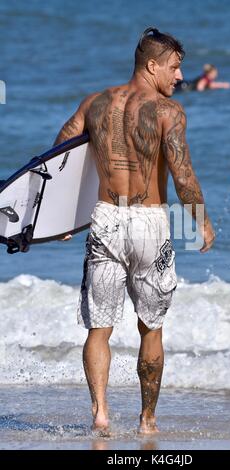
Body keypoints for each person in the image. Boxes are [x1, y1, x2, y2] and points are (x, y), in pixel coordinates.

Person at [53, 27, 215, 435]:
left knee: (99, 327)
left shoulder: (94, 103)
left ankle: (101, 414)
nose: (180, 77)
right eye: (176, 68)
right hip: (149, 222)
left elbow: (59, 154)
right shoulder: (169, 113)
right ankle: (147, 421)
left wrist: (59, 217)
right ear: (152, 65)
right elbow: (183, 176)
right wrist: (202, 222)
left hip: (105, 218)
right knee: (152, 326)